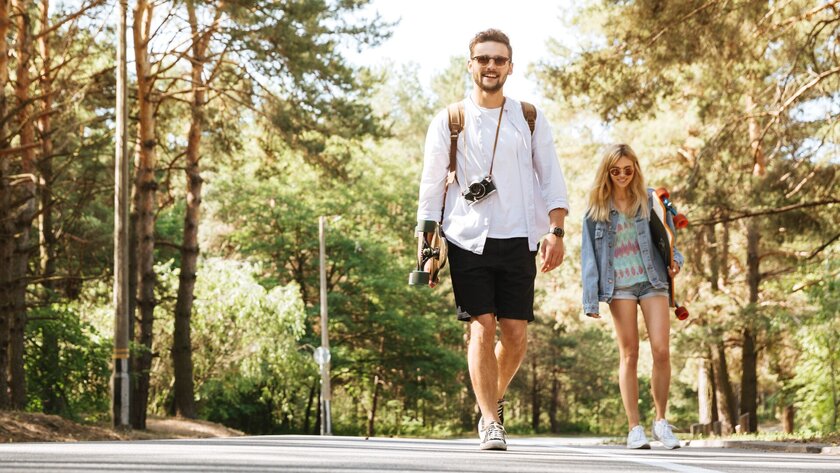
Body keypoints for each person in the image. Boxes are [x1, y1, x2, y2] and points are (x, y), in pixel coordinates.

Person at [416, 29, 569, 451]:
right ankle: (490, 421)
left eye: (498, 59)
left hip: (520, 237)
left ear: (510, 67)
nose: (490, 66)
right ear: (471, 65)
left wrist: (555, 231)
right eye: (483, 59)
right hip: (467, 238)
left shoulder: (529, 117)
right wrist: (426, 249)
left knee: (516, 334)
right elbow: (431, 187)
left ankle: (491, 398)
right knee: (481, 329)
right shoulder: (449, 119)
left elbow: (551, 176)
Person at [580, 144, 683, 450]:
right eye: (616, 170)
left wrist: (676, 262)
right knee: (630, 354)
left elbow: (670, 239)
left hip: (653, 281)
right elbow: (589, 256)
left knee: (661, 351)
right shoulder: (596, 210)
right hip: (619, 287)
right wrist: (591, 299)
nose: (622, 175)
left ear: (635, 169)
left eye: (628, 169)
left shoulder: (649, 200)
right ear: (607, 172)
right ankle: (634, 427)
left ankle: (661, 422)